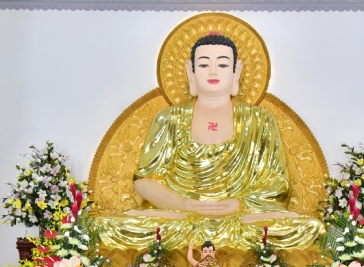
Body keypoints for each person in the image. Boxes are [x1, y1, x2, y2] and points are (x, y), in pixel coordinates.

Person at [95, 33, 324, 249]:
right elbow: (145, 182)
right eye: (204, 64)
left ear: (237, 72)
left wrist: (238, 204)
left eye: (223, 64)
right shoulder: (169, 118)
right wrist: (183, 204)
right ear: (190, 72)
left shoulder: (260, 120)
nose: (213, 71)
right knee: (112, 225)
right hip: (180, 217)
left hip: (242, 217)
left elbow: (278, 184)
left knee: (306, 226)